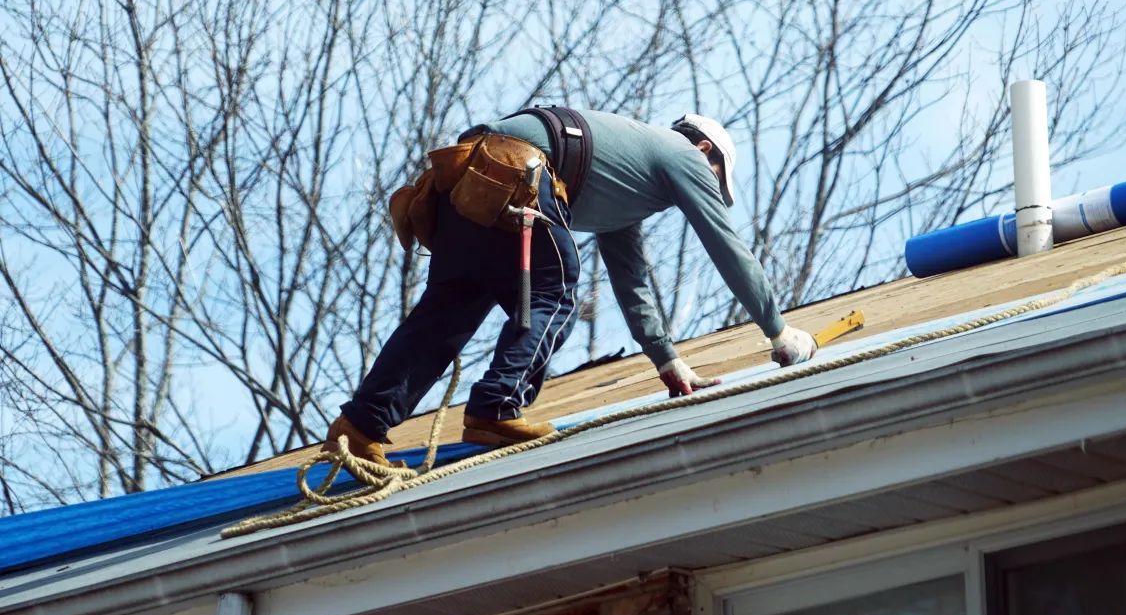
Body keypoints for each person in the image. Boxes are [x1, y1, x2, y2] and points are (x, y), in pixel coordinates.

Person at [323, 109, 816, 464]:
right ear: (704, 150)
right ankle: (496, 407)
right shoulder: (681, 154)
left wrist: (667, 360)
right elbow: (726, 245)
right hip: (518, 169)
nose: (707, 186)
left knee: (449, 309)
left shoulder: (625, 186)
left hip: (467, 179)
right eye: (714, 177)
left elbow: (631, 278)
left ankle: (361, 425)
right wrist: (778, 331)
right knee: (555, 288)